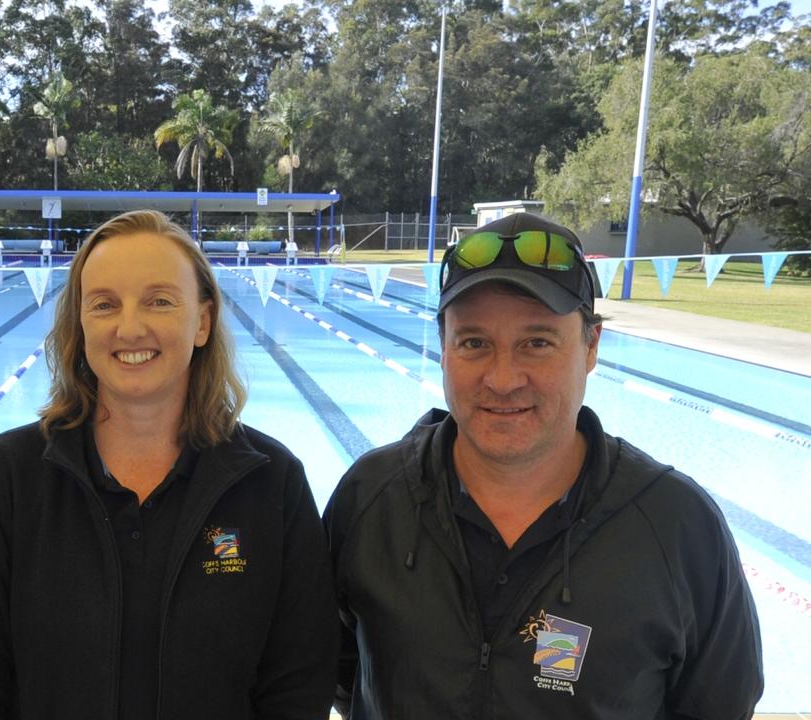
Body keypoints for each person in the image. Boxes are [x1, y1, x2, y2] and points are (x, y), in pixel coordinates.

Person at [324, 212, 762, 719]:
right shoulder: (371, 497)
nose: (503, 378)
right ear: (442, 348)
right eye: (474, 343)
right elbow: (334, 672)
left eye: (537, 342)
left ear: (590, 346)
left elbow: (720, 705)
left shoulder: (677, 525)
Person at [0, 209, 338, 720]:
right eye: (104, 304)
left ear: (203, 321)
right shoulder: (5, 479)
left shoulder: (271, 484)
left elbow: (298, 684)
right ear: (80, 323)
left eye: (159, 301)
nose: (130, 327)